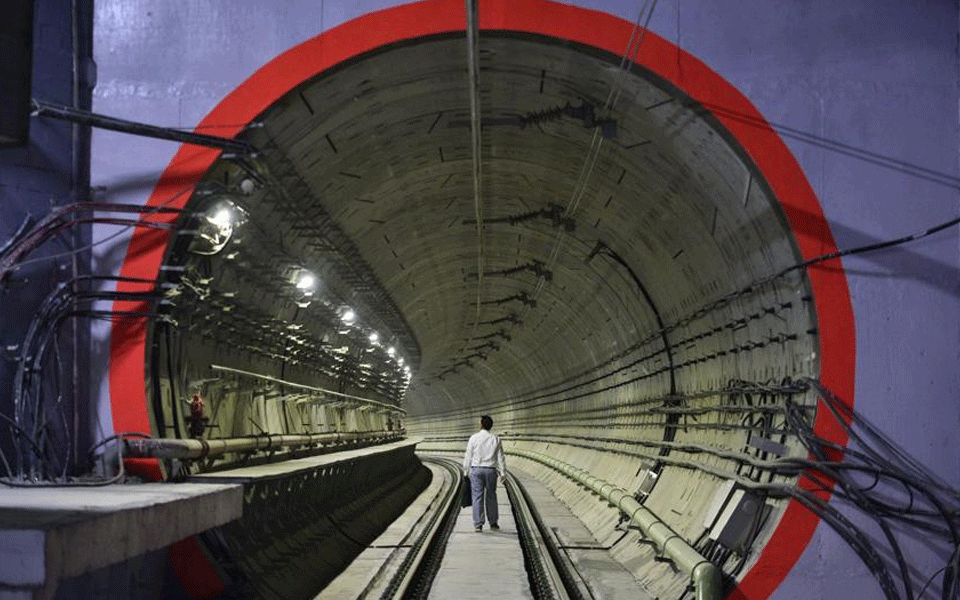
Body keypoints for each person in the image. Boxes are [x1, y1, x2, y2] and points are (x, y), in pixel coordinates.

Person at [463, 415, 506, 532]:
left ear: (481, 425)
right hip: (491, 470)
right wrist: (503, 473)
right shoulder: (496, 439)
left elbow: (468, 455)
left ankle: (478, 524)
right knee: (491, 495)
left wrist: (465, 471)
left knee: (477, 496)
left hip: (476, 469)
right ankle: (493, 522)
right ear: (491, 426)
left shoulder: (473, 438)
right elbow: (500, 457)